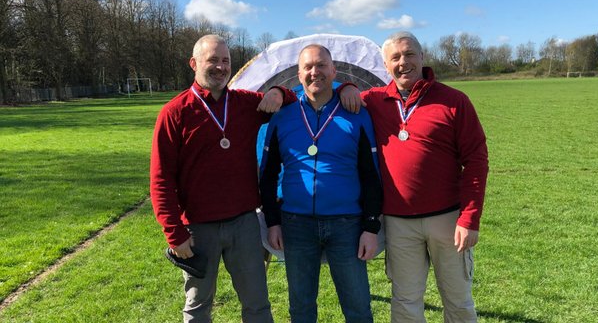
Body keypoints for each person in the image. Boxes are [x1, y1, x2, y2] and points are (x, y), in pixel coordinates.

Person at [340, 31, 489, 322]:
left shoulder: (454, 101)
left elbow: (476, 161)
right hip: (398, 224)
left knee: (458, 302)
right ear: (385, 65)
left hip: (448, 221)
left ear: (422, 57)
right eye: (395, 57)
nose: (403, 62)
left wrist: (469, 218)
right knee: (405, 302)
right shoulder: (373, 100)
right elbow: (328, 95)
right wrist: (346, 85)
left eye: (409, 54)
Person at [150, 34, 297, 323]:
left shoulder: (245, 104)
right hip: (197, 229)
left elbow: (292, 99)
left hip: (244, 223)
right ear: (194, 63)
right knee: (198, 307)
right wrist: (174, 233)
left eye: (225, 61)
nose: (220, 67)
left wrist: (279, 92)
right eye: (212, 60)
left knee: (257, 304)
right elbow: (160, 179)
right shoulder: (174, 113)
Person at [259, 44, 383, 323]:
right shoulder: (282, 115)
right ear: (299, 73)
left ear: (334, 70)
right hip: (296, 224)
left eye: (322, 65)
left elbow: (370, 174)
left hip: (347, 225)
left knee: (358, 307)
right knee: (301, 309)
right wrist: (273, 221)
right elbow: (267, 175)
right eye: (308, 67)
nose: (315, 72)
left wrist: (371, 227)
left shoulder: (356, 112)